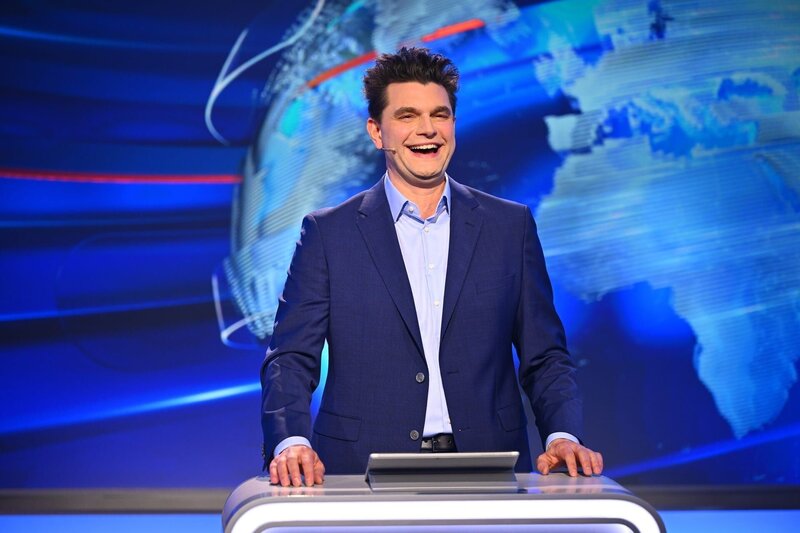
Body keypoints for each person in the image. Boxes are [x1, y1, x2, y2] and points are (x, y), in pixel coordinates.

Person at [261, 47, 603, 487]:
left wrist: (562, 434)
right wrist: (291, 442)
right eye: (407, 116)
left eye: (439, 115)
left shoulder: (509, 227)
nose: (427, 129)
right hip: (360, 470)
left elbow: (545, 356)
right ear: (376, 132)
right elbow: (291, 358)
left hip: (488, 464)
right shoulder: (328, 234)